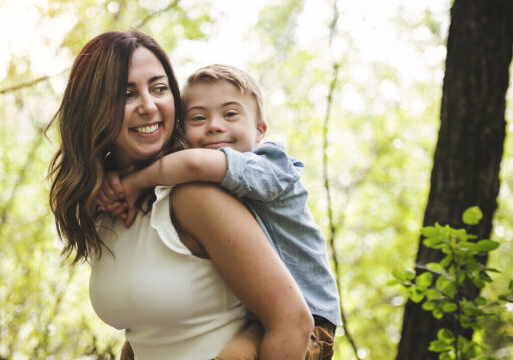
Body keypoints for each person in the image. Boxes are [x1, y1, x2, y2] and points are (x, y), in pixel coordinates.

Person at [46, 30, 313, 360]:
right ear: (93, 108)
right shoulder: (108, 208)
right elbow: (148, 333)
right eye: (127, 94)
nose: (149, 105)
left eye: (159, 88)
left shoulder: (194, 197)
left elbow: (293, 323)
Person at [98, 64, 342, 359]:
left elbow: (192, 164)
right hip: (257, 316)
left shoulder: (270, 165)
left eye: (230, 114)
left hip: (313, 318)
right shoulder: (200, 186)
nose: (214, 125)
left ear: (260, 130)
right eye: (198, 118)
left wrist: (133, 183)